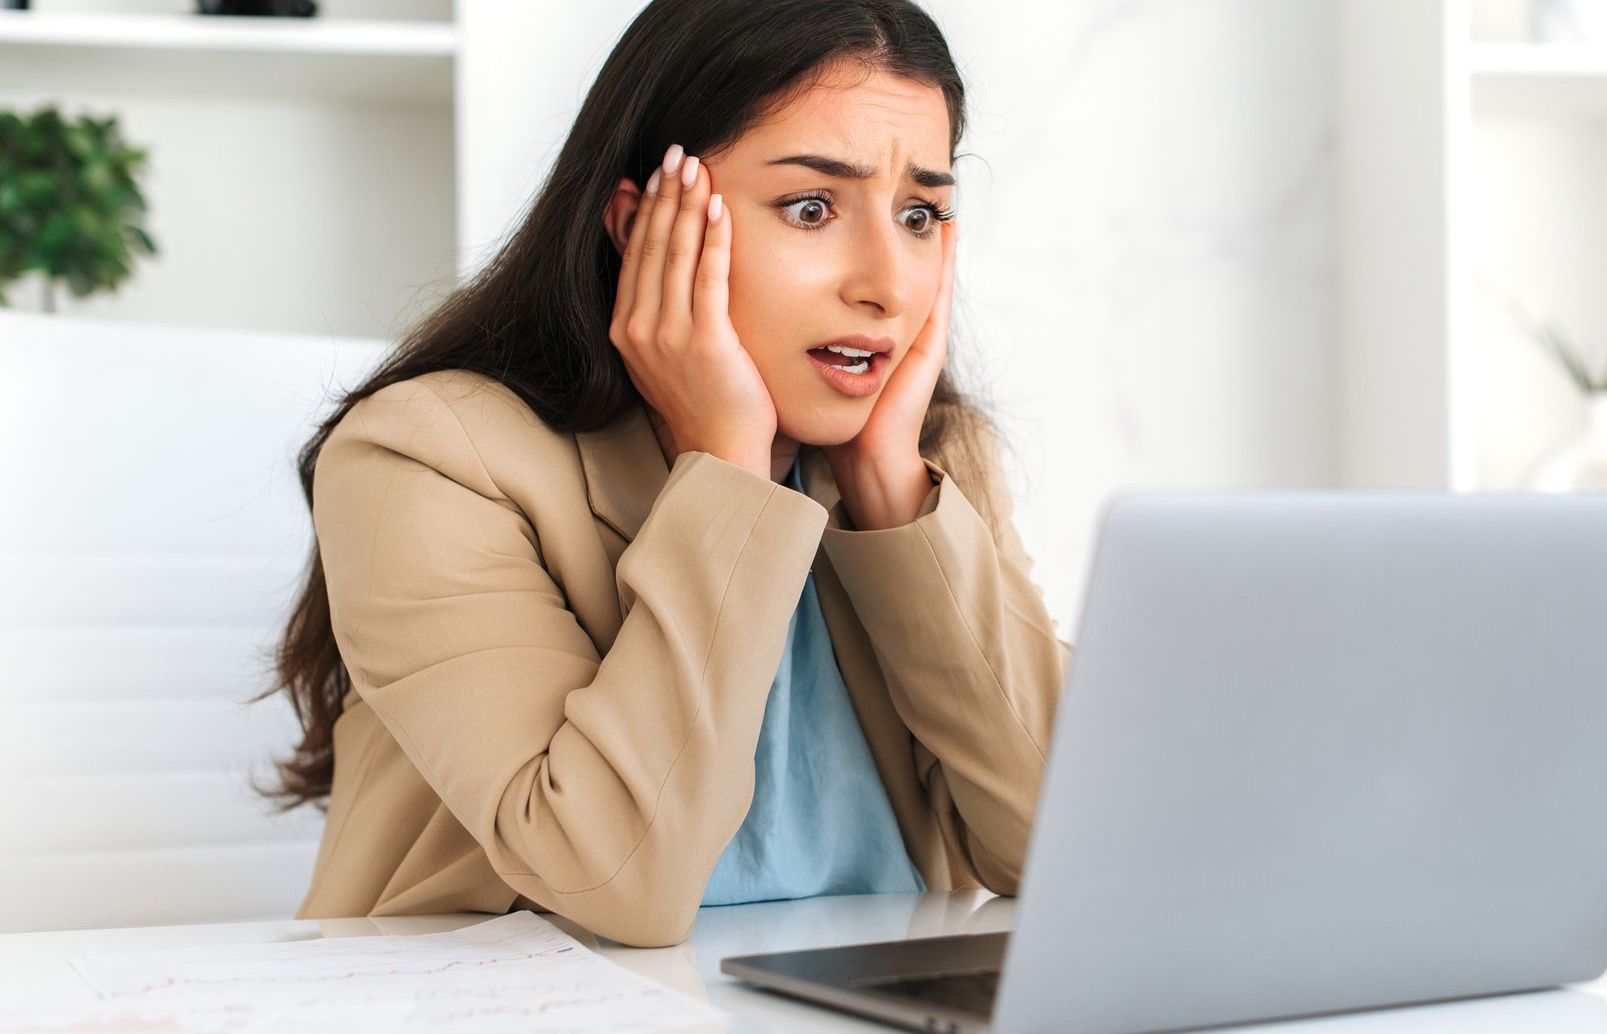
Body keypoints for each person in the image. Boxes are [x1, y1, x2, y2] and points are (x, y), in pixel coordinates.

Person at [252, 0, 1070, 949]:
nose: (887, 282)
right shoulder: (425, 460)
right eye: (812, 208)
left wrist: (892, 494)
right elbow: (612, 884)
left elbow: (1063, 851)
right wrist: (728, 470)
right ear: (643, 228)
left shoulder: (930, 462)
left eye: (920, 213)